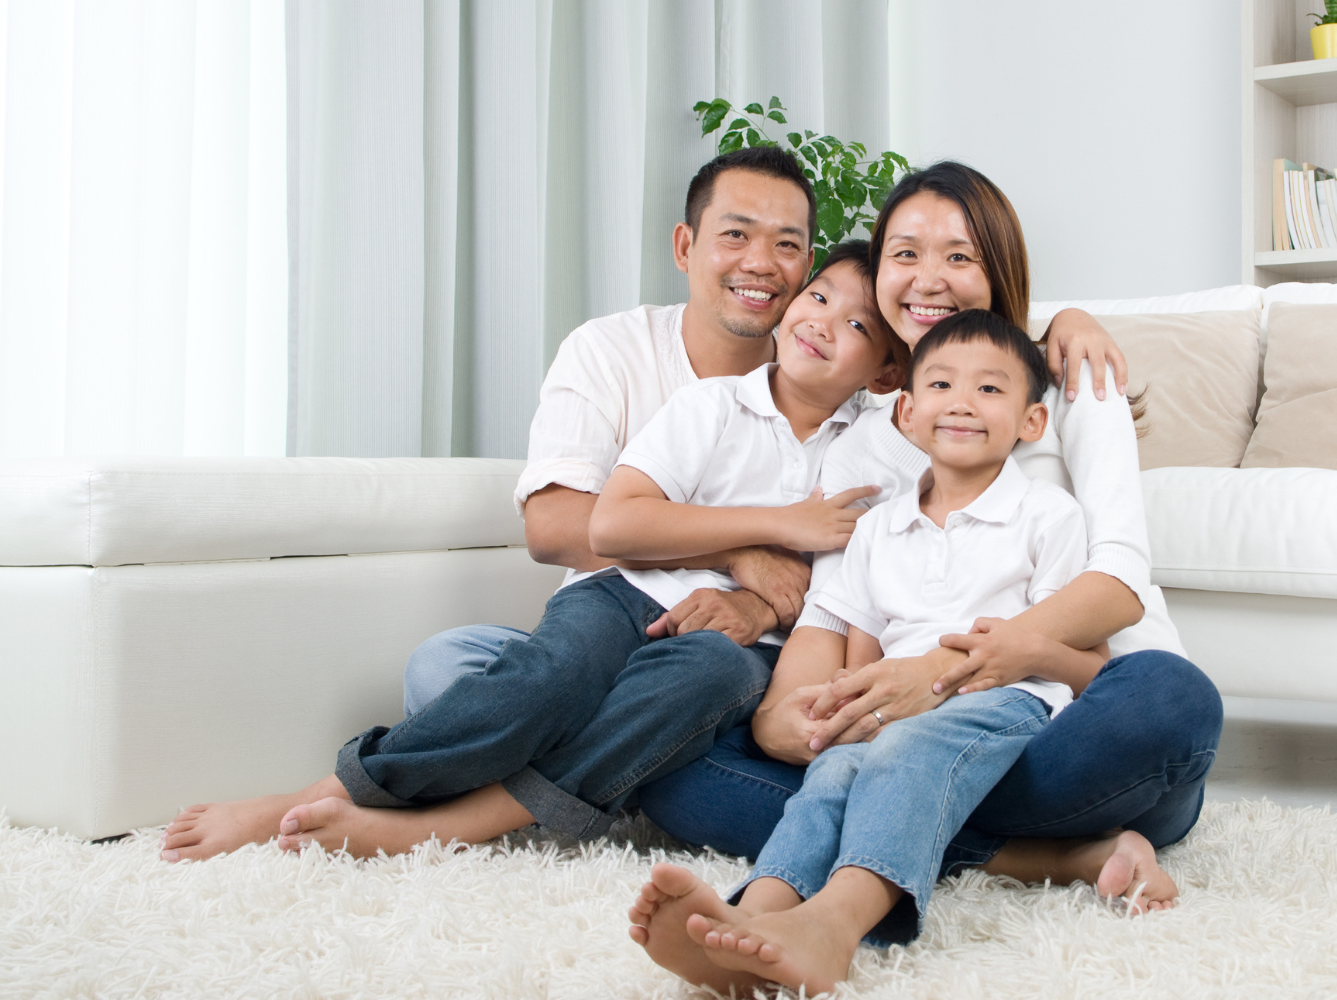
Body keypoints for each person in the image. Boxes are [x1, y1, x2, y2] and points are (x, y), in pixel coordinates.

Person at [158, 147, 1131, 863]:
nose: (796, 296)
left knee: (709, 689)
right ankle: (334, 790)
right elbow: (585, 526)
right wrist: (768, 538)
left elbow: (969, 388)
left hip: (723, 655)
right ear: (687, 245)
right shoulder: (683, 388)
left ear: (887, 368)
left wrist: (1068, 321)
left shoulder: (880, 430)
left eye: (790, 250)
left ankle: (461, 814)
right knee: (476, 670)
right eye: (736, 237)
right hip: (618, 603)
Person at [630, 162, 1222, 966]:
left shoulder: (1071, 380)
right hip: (901, 738)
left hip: (1068, 727)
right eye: (904, 254)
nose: (928, 280)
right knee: (677, 768)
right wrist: (804, 718)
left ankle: (868, 881)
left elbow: (1116, 581)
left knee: (1173, 696)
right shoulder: (866, 435)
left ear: (999, 272)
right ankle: (1056, 857)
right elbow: (836, 616)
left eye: (960, 257)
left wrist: (937, 678)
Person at [641, 309, 1109, 994]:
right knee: (832, 775)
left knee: (896, 756)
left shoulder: (1048, 516)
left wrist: (1021, 659)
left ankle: (832, 929)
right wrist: (837, 719)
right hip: (892, 704)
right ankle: (754, 920)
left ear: (1031, 423)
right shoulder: (877, 528)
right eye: (943, 385)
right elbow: (861, 658)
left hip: (1004, 699)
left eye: (989, 390)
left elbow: (1088, 659)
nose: (961, 403)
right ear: (910, 414)